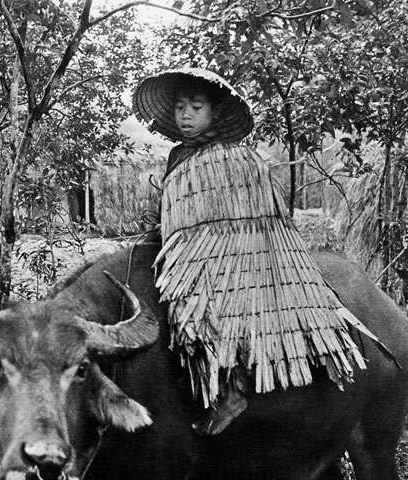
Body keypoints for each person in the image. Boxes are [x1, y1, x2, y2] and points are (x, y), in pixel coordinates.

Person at [133, 67, 387, 435]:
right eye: (180, 107)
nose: (185, 115)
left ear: (215, 112)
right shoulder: (177, 157)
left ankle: (231, 391)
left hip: (240, 256)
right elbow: (173, 209)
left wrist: (215, 248)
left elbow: (263, 216)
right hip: (185, 252)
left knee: (204, 312)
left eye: (196, 106)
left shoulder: (242, 159)